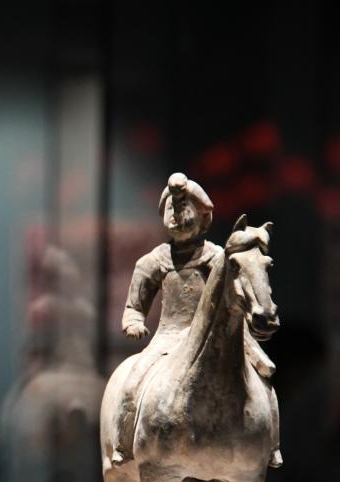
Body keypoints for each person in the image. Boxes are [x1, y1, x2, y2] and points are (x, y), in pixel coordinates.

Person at [112, 172, 280, 466]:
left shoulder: (217, 258)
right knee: (131, 383)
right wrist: (134, 321)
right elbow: (134, 306)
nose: (177, 216)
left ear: (204, 217)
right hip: (168, 338)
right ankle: (124, 443)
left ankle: (271, 444)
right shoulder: (153, 261)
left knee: (265, 377)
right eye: (171, 208)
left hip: (215, 335)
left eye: (184, 208)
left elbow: (238, 289)